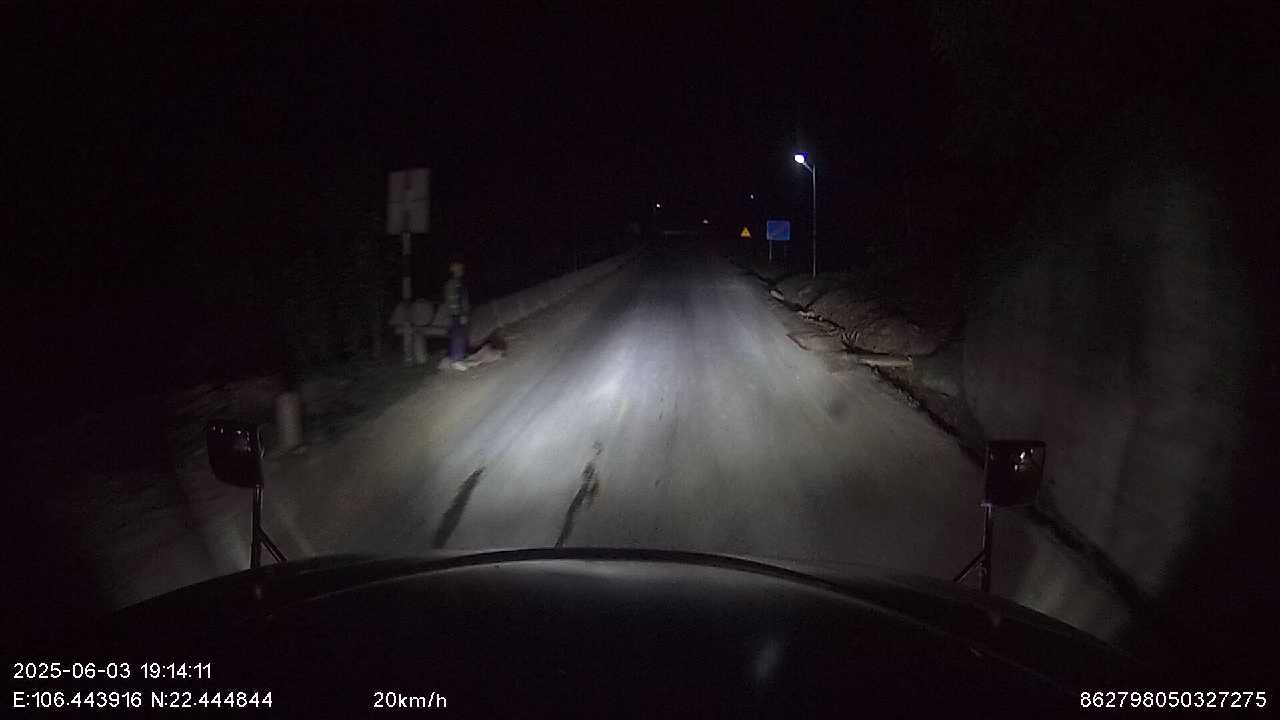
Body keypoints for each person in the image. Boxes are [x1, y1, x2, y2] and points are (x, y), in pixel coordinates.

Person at [443, 260, 470, 369]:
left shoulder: (456, 282)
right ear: (454, 270)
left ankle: (458, 358)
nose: (461, 271)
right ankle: (457, 360)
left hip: (456, 314)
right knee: (458, 336)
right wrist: (462, 314)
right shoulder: (453, 284)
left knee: (459, 335)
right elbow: (456, 300)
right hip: (457, 314)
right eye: (459, 269)